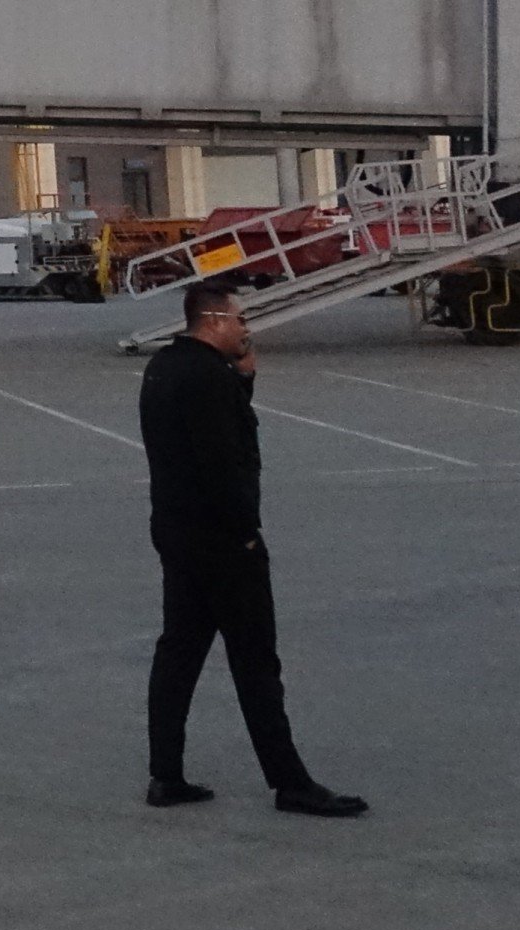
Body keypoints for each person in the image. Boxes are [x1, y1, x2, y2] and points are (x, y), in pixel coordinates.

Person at [139, 279, 365, 818]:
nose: (246, 329)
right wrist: (245, 531)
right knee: (256, 661)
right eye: (240, 320)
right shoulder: (208, 380)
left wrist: (243, 382)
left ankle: (165, 774)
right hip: (221, 540)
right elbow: (226, 460)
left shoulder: (165, 367)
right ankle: (290, 782)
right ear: (214, 321)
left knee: (180, 653)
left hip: (176, 529)